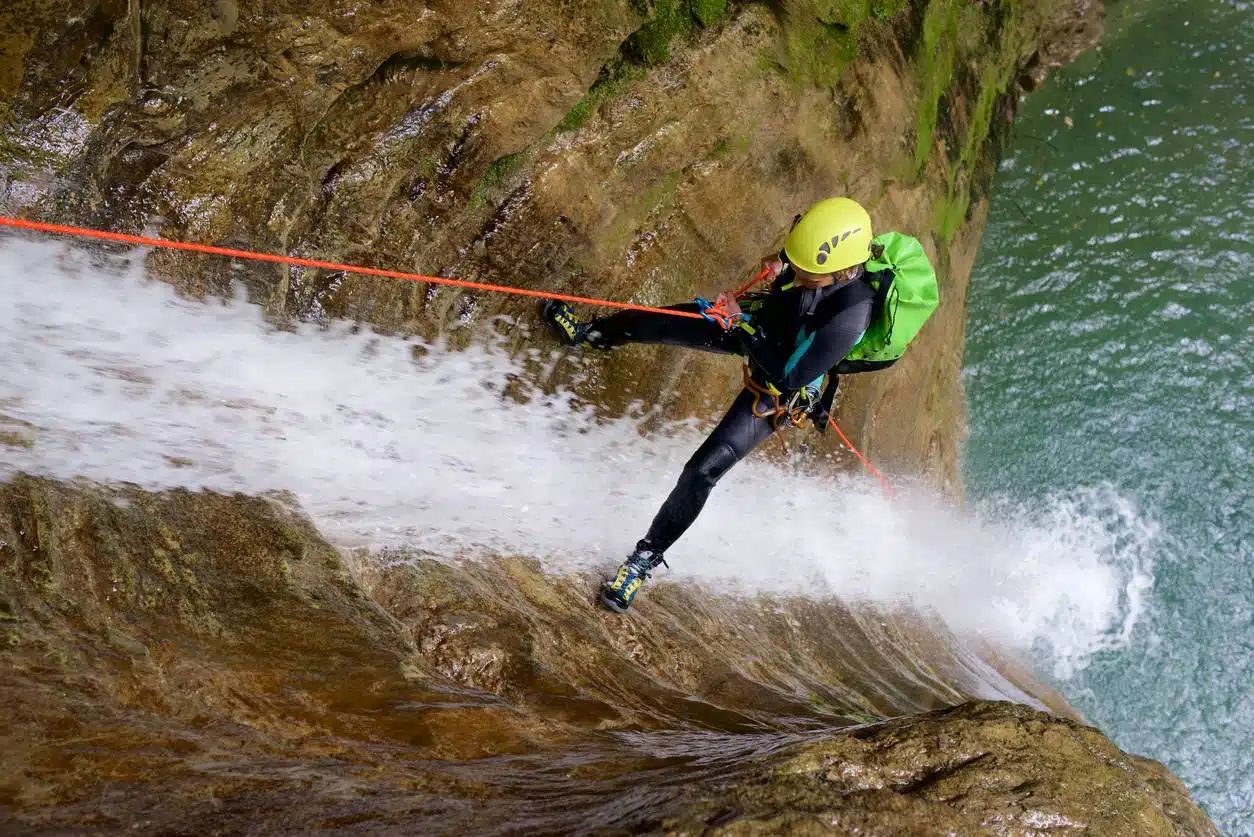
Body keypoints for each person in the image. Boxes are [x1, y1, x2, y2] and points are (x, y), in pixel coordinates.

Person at [541, 197, 912, 613]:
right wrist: (781, 267)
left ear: (841, 270)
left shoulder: (850, 317)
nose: (797, 268)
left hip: (780, 382)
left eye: (805, 267)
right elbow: (796, 267)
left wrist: (739, 324)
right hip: (762, 326)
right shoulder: (821, 258)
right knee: (654, 320)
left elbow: (787, 376)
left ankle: (643, 560)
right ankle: (591, 336)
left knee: (702, 471)